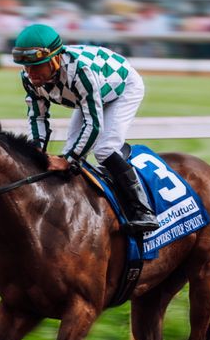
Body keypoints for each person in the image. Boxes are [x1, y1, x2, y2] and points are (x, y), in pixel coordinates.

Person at [12, 23, 159, 233]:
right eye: (25, 66)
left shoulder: (81, 71)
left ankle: (142, 210)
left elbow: (94, 124)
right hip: (88, 96)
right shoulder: (29, 78)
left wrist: (68, 160)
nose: (30, 73)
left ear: (55, 58)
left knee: (104, 149)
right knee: (70, 149)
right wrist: (36, 152)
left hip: (123, 87)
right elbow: (38, 118)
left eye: (37, 65)